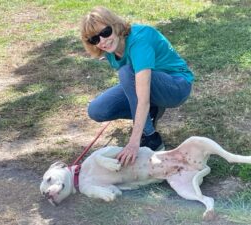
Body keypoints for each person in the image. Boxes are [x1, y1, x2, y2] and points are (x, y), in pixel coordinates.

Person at [80, 6, 194, 167]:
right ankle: (152, 112)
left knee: (126, 73)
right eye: (94, 39)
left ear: (115, 25)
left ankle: (152, 138)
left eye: (105, 32)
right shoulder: (111, 50)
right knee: (97, 110)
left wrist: (134, 142)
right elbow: (137, 90)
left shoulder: (139, 40)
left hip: (176, 87)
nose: (102, 41)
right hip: (148, 85)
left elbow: (142, 98)